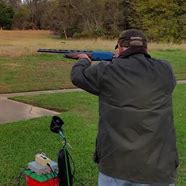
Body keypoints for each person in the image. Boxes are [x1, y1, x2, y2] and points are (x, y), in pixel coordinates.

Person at [70, 29, 178, 186]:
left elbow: (78, 76)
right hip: (158, 166)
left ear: (120, 47)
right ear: (146, 48)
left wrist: (84, 59)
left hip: (115, 165)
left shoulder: (106, 71)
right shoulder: (165, 69)